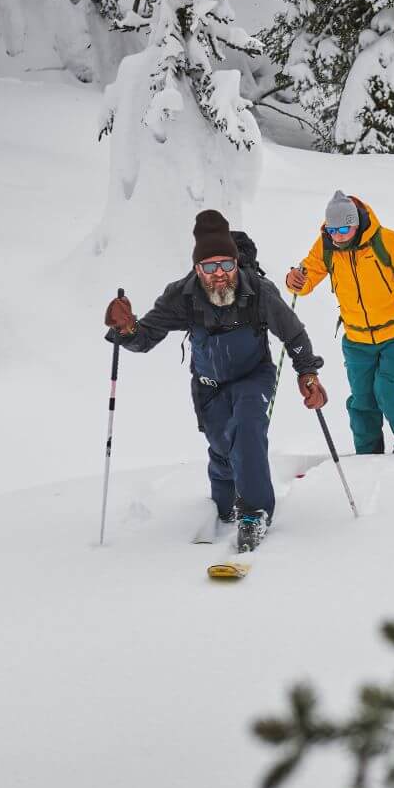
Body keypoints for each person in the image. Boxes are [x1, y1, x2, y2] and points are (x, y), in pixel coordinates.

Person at [104, 209, 326, 553]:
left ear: (237, 264)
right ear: (197, 269)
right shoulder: (181, 296)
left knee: (248, 426)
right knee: (223, 447)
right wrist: (126, 328)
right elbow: (145, 338)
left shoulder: (260, 291)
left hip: (254, 375)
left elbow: (293, 333)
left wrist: (307, 373)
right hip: (209, 385)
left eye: (226, 265)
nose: (219, 274)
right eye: (209, 267)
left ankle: (254, 512)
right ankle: (224, 502)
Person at [285, 191, 394, 454]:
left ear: (356, 223)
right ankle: (367, 456)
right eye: (333, 230)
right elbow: (306, 279)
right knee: (361, 401)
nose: (338, 236)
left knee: (387, 391)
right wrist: (295, 281)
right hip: (356, 339)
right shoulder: (326, 246)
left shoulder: (386, 241)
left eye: (344, 229)